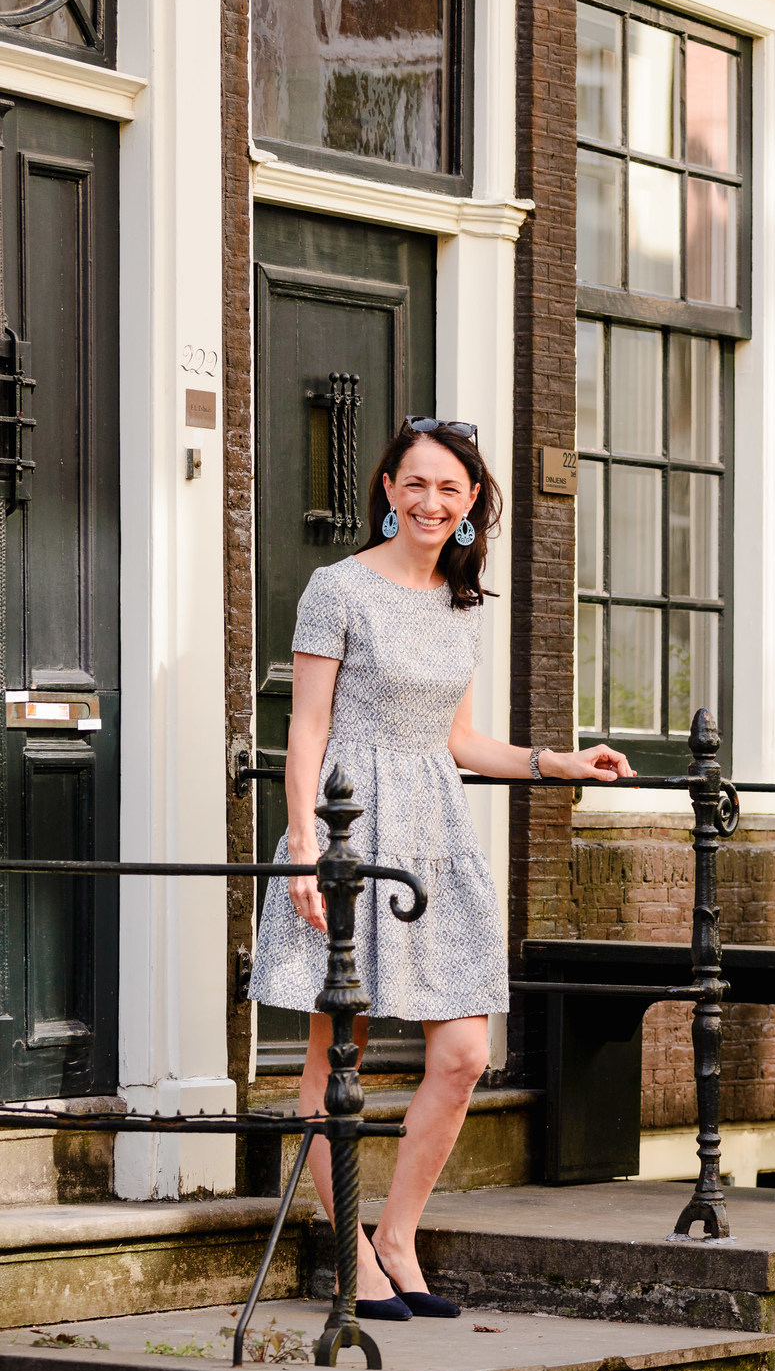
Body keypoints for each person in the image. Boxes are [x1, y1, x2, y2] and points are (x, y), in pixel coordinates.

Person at [248, 418, 633, 1319]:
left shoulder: (465, 603)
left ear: (470, 506)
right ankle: (348, 1254)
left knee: (463, 1053)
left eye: (449, 489)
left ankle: (397, 1234)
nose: (430, 502)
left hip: (437, 833)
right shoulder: (335, 588)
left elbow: (457, 740)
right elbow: (305, 726)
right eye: (415, 484)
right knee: (333, 1050)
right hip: (349, 828)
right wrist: (303, 842)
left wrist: (556, 763)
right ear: (387, 488)